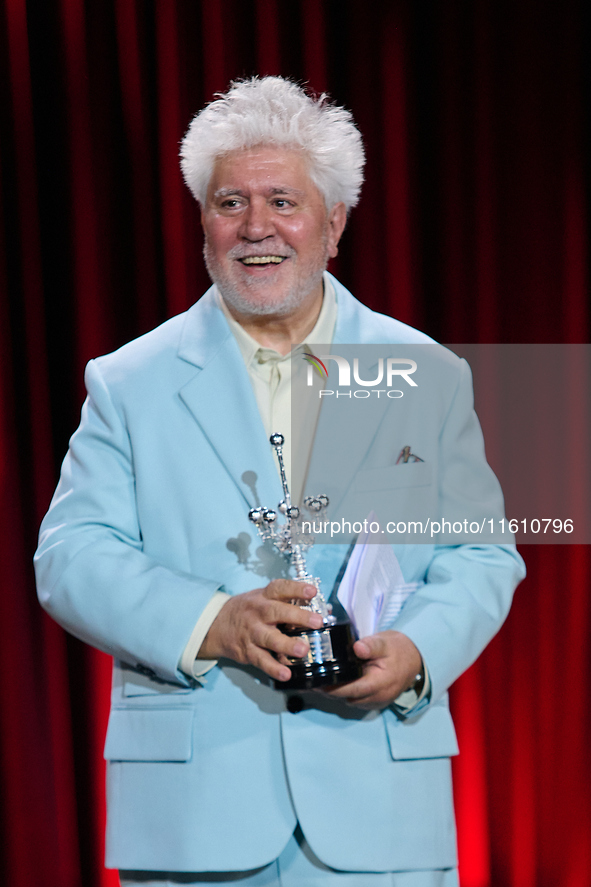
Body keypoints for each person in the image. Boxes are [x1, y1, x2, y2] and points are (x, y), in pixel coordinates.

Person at [35, 77, 525, 886]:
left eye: (282, 202)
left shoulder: (428, 373)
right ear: (202, 221)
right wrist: (214, 622)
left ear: (334, 224)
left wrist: (415, 651)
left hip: (381, 806)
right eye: (230, 201)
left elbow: (481, 553)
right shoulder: (129, 381)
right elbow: (74, 556)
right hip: (195, 817)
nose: (255, 228)